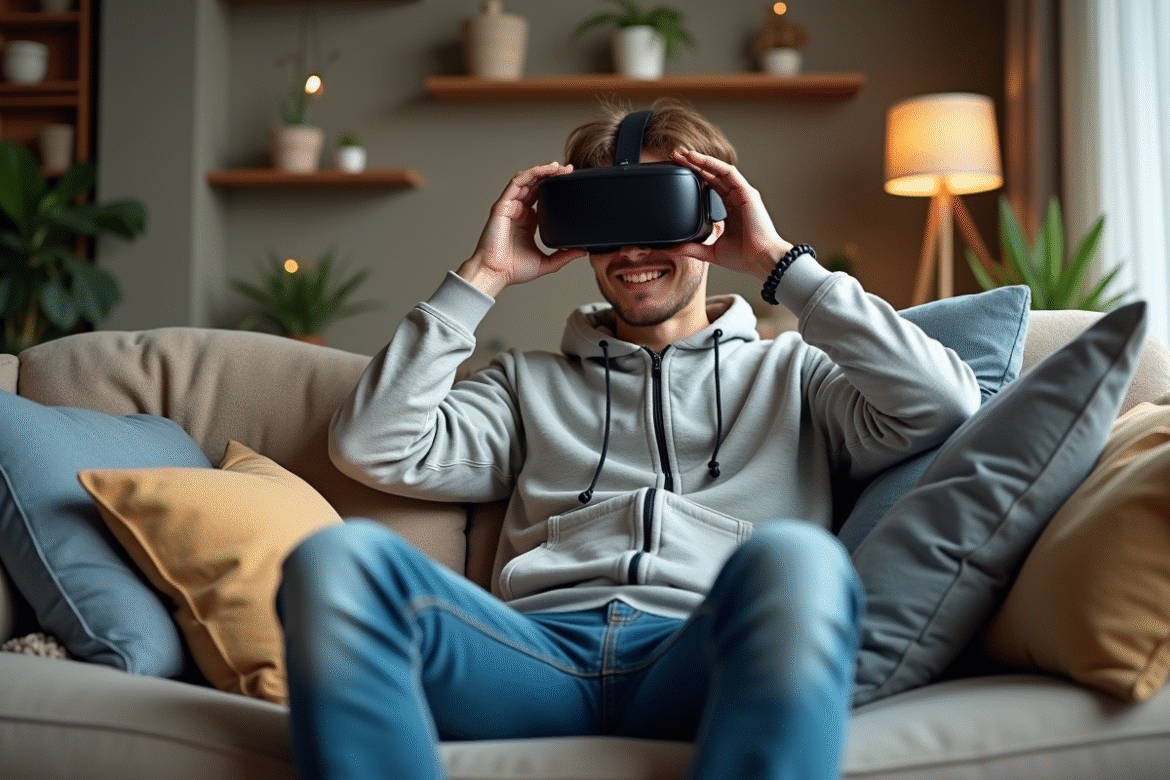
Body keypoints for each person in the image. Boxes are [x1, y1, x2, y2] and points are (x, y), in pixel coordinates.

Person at [277, 98, 981, 780]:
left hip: (699, 652)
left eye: (657, 214)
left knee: (802, 559)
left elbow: (945, 403)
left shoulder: (794, 372)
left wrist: (777, 261)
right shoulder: (527, 384)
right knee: (338, 558)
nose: (634, 251)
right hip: (534, 655)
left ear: (711, 216)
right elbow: (371, 443)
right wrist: (485, 274)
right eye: (609, 221)